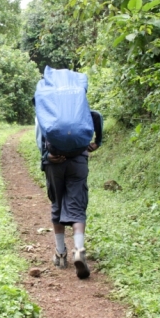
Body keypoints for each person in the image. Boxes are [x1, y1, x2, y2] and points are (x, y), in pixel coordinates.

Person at [36, 108, 103, 279]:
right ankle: (79, 250)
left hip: (54, 160)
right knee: (77, 205)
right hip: (79, 158)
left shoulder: (48, 104)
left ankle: (60, 253)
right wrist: (98, 141)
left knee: (57, 202)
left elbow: (40, 131)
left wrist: (46, 156)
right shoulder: (76, 100)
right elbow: (96, 116)